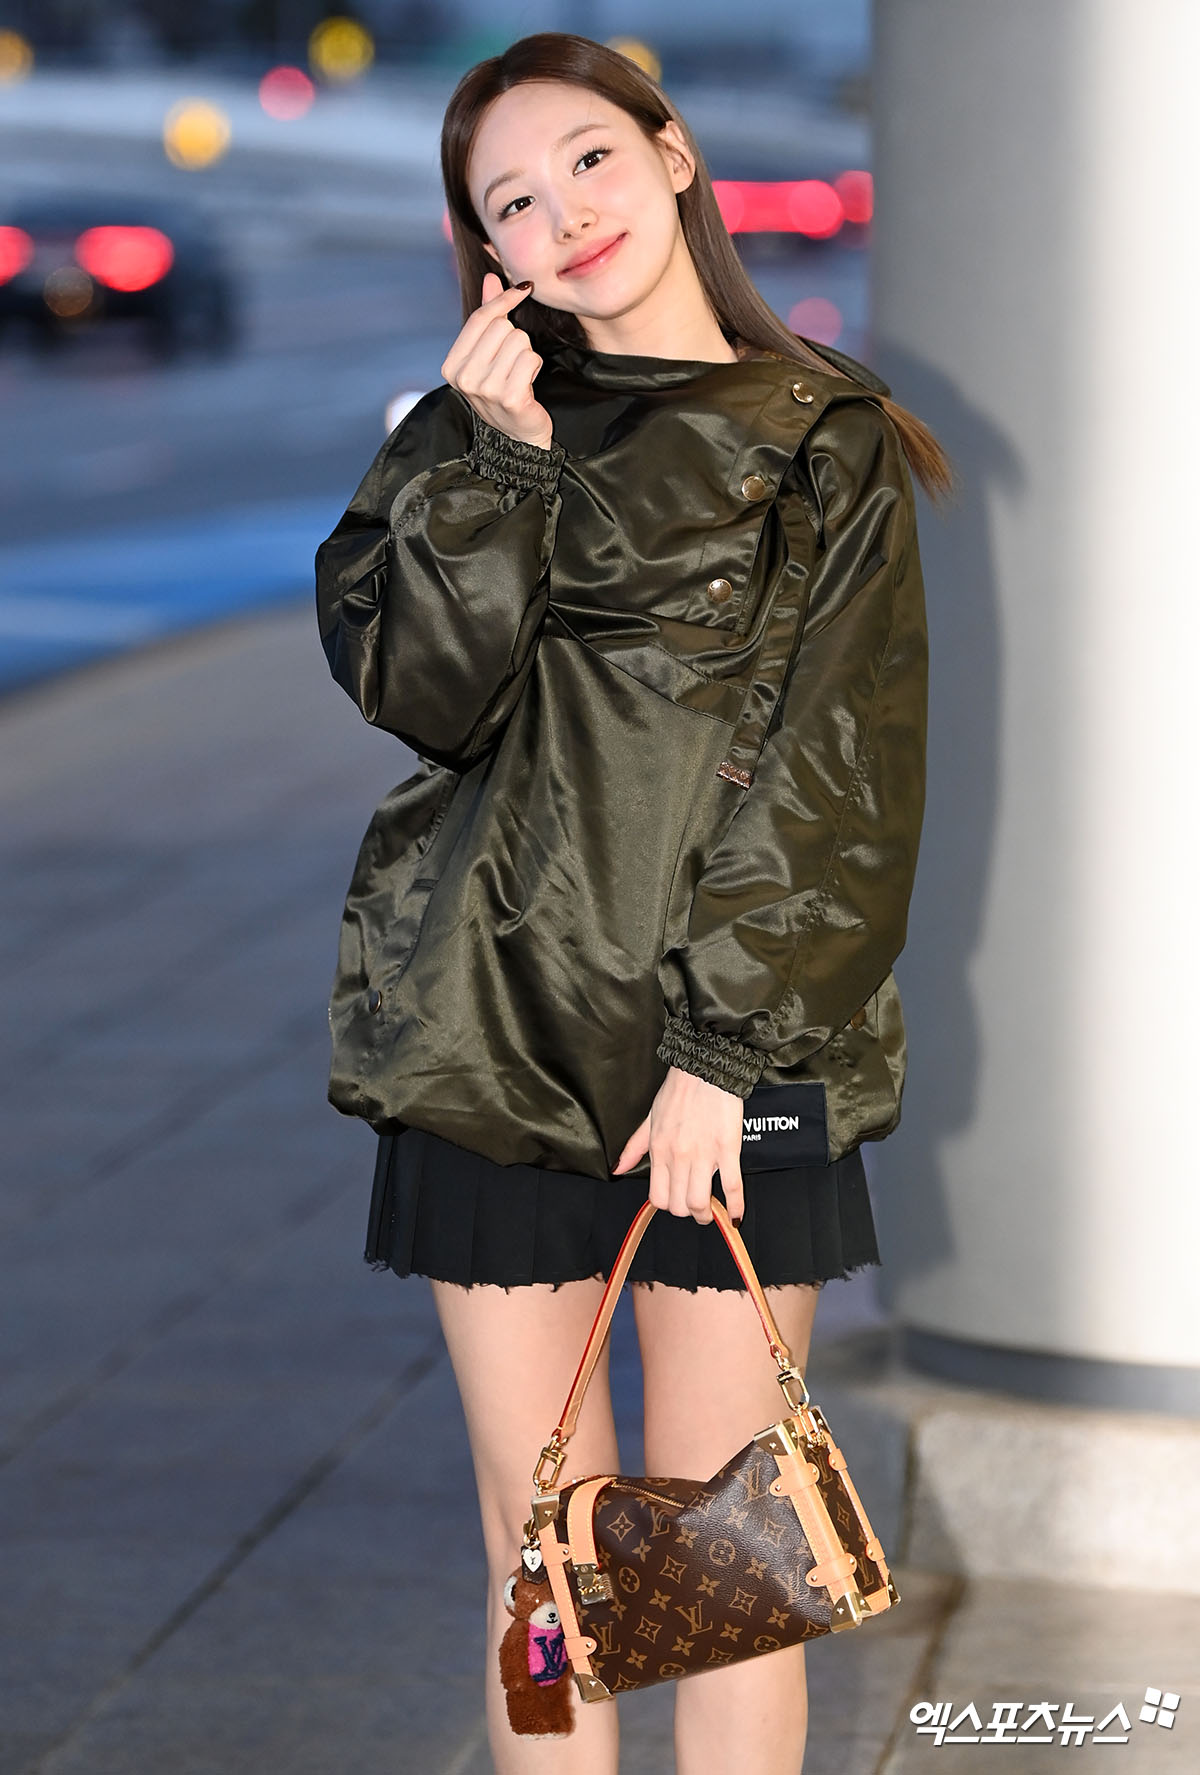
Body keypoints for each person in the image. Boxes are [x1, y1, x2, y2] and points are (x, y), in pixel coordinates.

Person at [314, 31, 950, 1774]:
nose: (565, 213)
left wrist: (724, 1056)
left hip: (727, 1063)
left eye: (589, 159)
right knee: (548, 1563)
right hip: (493, 1040)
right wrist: (499, 467)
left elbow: (843, 774)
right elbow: (424, 697)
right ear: (488, 253)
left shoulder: (821, 439)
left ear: (672, 155)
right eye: (512, 200)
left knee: (731, 1571)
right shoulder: (466, 435)